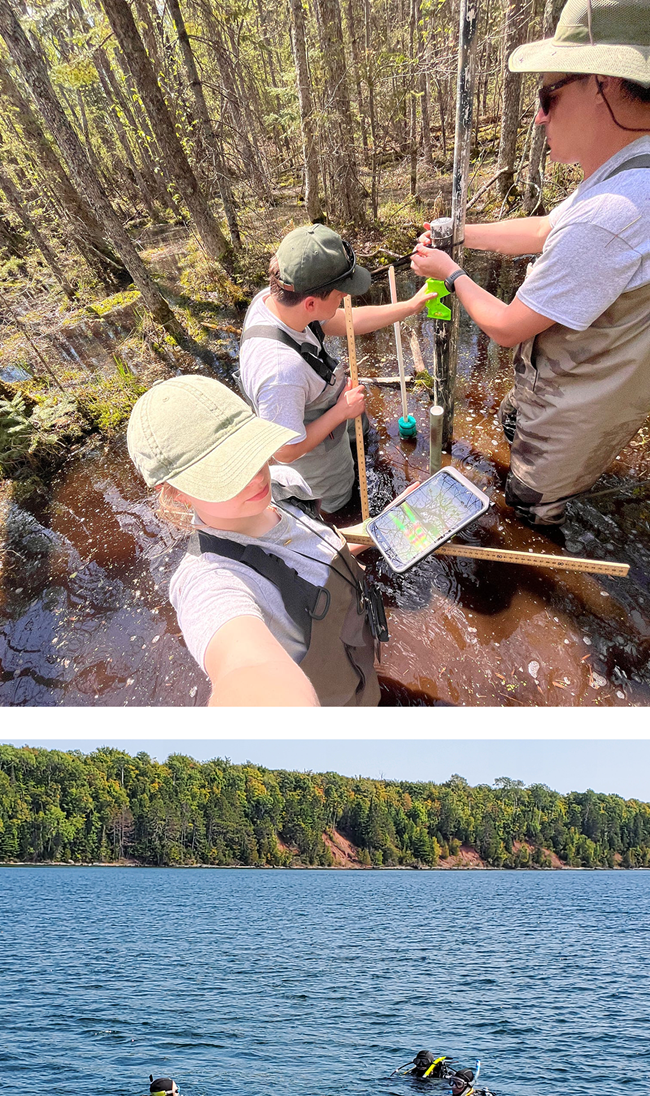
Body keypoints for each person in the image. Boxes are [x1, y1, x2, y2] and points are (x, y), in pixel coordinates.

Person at [411, 0, 650, 527]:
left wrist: (450, 273)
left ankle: (543, 524)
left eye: (548, 96)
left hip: (576, 409)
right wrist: (461, 234)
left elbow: (505, 325)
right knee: (513, 425)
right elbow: (545, 229)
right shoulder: (628, 173)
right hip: (591, 392)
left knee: (528, 504)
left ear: (603, 84)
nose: (540, 115)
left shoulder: (613, 212)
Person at [127, 375, 395, 707]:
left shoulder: (282, 487)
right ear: (176, 491)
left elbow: (316, 548)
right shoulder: (211, 581)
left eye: (249, 451)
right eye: (225, 472)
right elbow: (247, 669)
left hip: (359, 660)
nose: (255, 476)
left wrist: (384, 527)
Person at [239, 223, 435, 513]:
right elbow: (283, 451)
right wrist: (341, 412)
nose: (345, 297)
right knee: (339, 509)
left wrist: (409, 306)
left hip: (328, 426)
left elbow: (345, 320)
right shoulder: (281, 372)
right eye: (339, 293)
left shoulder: (275, 301)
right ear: (310, 303)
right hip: (317, 474)